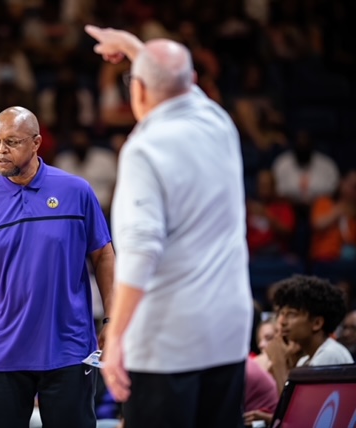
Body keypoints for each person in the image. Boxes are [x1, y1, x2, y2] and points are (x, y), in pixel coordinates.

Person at [84, 25, 253, 428]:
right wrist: (134, 50)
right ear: (192, 82)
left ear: (137, 90)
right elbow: (176, 83)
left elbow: (141, 252)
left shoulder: (144, 147)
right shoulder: (220, 124)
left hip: (166, 345)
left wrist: (119, 335)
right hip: (228, 336)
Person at [0, 106, 115, 428]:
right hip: (3, 352)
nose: (1, 151)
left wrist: (112, 318)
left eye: (11, 142)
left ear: (37, 142)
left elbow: (104, 257)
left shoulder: (75, 191)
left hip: (68, 348)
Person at [245, 275, 353, 426]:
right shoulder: (306, 359)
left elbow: (308, 420)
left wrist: (279, 363)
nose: (282, 322)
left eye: (292, 314)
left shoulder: (330, 355)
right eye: (281, 313)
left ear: (317, 323)